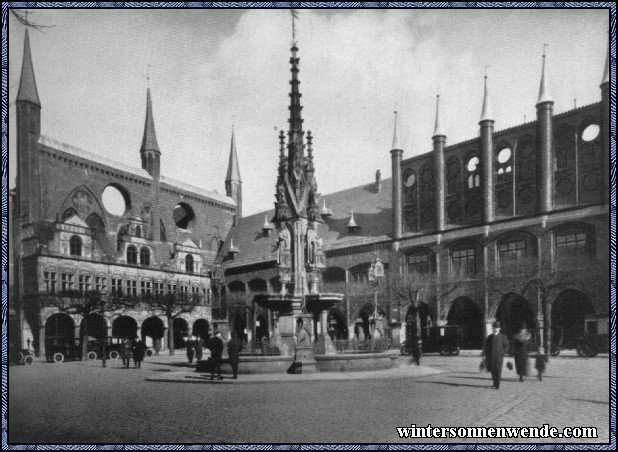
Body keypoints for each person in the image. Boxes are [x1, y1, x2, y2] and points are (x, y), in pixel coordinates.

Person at [482, 321, 510, 389]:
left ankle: (497, 385)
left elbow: (507, 346)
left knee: (498, 370)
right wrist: (484, 354)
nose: (495, 329)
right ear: (492, 328)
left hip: (498, 357)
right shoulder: (489, 337)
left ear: (499, 329)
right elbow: (486, 346)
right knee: (492, 370)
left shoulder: (503, 337)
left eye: (497, 328)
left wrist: (501, 352)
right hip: (491, 357)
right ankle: (494, 383)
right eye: (494, 327)